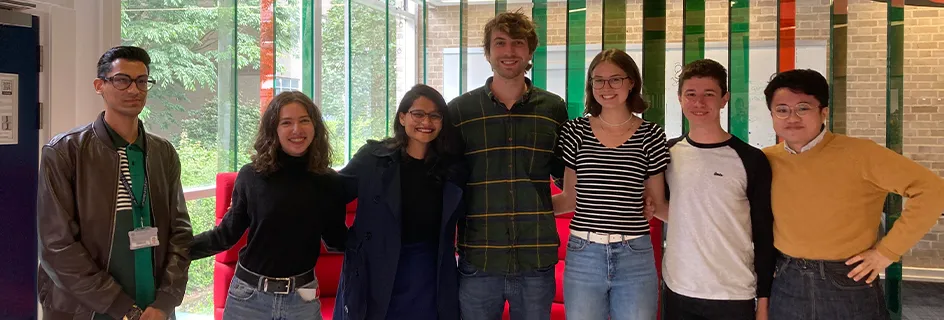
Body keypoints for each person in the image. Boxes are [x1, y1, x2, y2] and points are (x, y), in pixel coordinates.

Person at [761, 69, 944, 320]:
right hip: (786, 279)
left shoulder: (860, 154)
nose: (792, 117)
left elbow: (932, 191)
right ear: (772, 114)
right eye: (782, 109)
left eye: (803, 108)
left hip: (847, 280)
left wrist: (887, 252)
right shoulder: (767, 159)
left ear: (823, 112)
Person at [37, 46, 192, 320]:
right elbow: (57, 246)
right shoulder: (64, 152)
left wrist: (166, 301)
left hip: (153, 309)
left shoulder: (162, 152)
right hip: (86, 310)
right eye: (122, 80)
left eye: (142, 81)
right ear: (100, 86)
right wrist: (123, 309)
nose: (134, 90)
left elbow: (180, 233)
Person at [447, 11, 568, 320]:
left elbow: (567, 171)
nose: (509, 51)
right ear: (488, 53)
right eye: (500, 43)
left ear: (530, 51)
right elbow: (442, 179)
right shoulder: (461, 111)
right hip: (479, 259)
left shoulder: (553, 108)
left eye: (518, 43)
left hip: (535, 259)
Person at [189, 91, 348, 320]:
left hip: (303, 297)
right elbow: (225, 235)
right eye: (287, 122)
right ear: (274, 129)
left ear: (315, 127)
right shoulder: (251, 176)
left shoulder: (328, 182)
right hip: (248, 298)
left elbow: (337, 240)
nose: (297, 129)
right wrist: (177, 250)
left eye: (304, 120)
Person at [552, 48, 668, 320]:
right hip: (583, 253)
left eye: (615, 79)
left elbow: (657, 204)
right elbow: (569, 199)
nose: (606, 87)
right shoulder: (574, 131)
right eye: (598, 80)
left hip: (635, 255)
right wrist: (520, 209)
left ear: (631, 82)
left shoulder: (651, 135)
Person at [334, 84, 466, 320]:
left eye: (435, 115)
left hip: (428, 270)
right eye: (418, 114)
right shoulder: (373, 158)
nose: (426, 121)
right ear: (402, 117)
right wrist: (342, 240)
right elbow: (332, 194)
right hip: (376, 267)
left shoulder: (451, 168)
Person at [657, 59, 774, 320]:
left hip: (733, 293)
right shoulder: (666, 154)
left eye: (709, 94)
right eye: (691, 94)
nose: (699, 103)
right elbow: (664, 208)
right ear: (679, 98)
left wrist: (764, 300)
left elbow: (765, 234)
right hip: (678, 289)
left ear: (725, 99)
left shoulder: (751, 159)